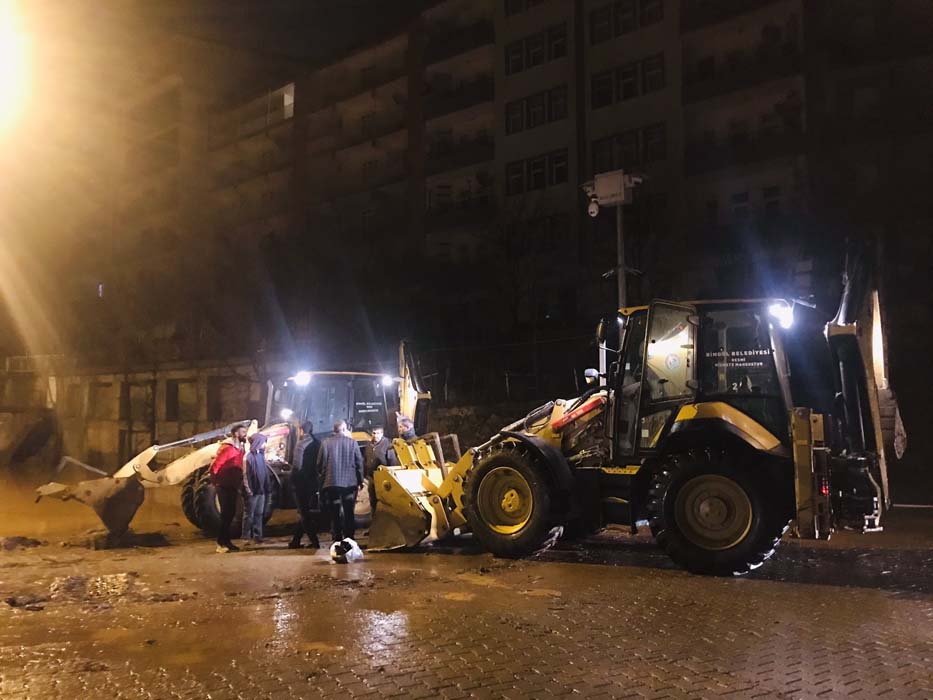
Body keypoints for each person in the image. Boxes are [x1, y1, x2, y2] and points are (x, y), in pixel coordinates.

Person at [317, 419, 364, 542]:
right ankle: (349, 537)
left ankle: (336, 537)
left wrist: (322, 479)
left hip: (332, 483)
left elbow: (320, 464)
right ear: (344, 429)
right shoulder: (352, 443)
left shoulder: (326, 443)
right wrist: (360, 480)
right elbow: (359, 463)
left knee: (335, 512)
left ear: (334, 430)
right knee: (349, 512)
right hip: (349, 483)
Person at [210, 423, 247, 553]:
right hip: (224, 486)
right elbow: (215, 466)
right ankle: (220, 543)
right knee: (226, 515)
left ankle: (227, 541)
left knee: (230, 514)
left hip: (232, 486)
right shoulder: (228, 449)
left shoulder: (240, 449)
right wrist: (216, 482)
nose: (245, 434)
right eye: (243, 432)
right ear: (236, 433)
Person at [289, 422, 321, 549]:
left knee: (304, 513)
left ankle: (314, 541)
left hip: (301, 483)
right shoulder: (318, 443)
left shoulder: (301, 444)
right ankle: (295, 541)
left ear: (301, 431)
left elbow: (297, 465)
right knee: (305, 512)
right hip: (313, 482)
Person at [242, 432, 273, 545]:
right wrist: (249, 490)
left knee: (259, 514)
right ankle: (245, 537)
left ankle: (257, 536)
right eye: (263, 442)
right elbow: (246, 475)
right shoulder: (248, 457)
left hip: (261, 490)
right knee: (249, 515)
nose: (265, 444)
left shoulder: (261, 455)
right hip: (253, 491)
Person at [365, 425, 399, 515]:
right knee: (373, 499)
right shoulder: (369, 445)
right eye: (374, 433)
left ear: (382, 434)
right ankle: (374, 517)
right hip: (371, 477)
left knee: (384, 499)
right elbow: (365, 459)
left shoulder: (388, 445)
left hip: (383, 477)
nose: (375, 435)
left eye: (378, 433)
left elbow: (392, 462)